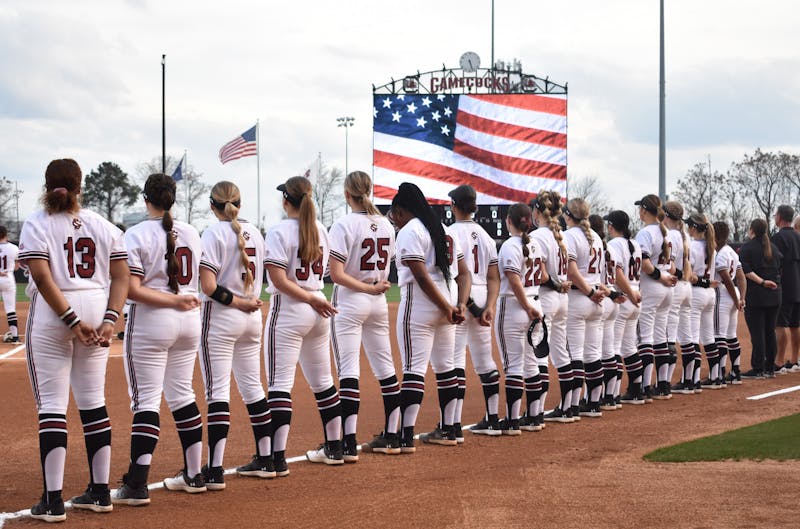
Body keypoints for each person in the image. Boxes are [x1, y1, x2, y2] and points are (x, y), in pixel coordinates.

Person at [20, 159, 129, 521]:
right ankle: (100, 492)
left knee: (52, 404)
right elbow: (121, 275)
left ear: (46, 186)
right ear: (80, 187)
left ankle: (52, 501)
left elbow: (41, 275)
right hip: (96, 306)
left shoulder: (38, 221)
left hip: (57, 313)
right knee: (93, 401)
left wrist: (70, 319)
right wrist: (111, 318)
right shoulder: (102, 224)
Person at [113, 173, 206, 505]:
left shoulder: (135, 234)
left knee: (146, 401)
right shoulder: (193, 232)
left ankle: (136, 485)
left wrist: (173, 299)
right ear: (174, 198)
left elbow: (134, 290)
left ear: (145, 198)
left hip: (153, 321)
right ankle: (195, 474)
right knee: (183, 394)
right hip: (188, 320)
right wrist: (180, 300)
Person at [263, 176, 342, 469]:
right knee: (323, 381)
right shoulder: (320, 228)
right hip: (317, 305)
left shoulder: (279, 231)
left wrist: (309, 299)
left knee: (280, 385)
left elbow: (279, 280)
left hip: (293, 308)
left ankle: (275, 458)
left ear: (286, 200)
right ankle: (335, 447)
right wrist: (314, 298)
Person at [197, 181, 272, 488]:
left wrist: (238, 303)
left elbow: (208, 286)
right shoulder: (255, 232)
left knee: (217, 392)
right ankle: (267, 458)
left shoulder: (213, 233)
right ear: (238, 204)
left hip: (223, 316)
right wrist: (246, 303)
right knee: (253, 387)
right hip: (252, 317)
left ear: (213, 205)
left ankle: (214, 470)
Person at [389, 182, 469, 450]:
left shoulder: (409, 231)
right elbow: (465, 273)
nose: (394, 218)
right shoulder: (444, 229)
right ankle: (449, 430)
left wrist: (448, 307)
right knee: (446, 368)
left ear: (401, 209)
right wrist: (458, 305)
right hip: (447, 302)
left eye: (394, 213)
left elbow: (421, 276)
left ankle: (405, 435)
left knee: (414, 369)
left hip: (421, 306)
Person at [327, 171, 400, 458]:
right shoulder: (386, 224)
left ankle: (348, 442)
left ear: (347, 194)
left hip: (353, 299)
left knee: (348, 370)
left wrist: (365, 290)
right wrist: (372, 289)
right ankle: (393, 434)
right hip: (377, 299)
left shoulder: (344, 224)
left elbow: (336, 275)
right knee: (386, 368)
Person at [445, 185, 502, 437]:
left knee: (455, 359)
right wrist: (488, 306)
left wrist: (471, 306)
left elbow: (457, 275)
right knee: (484, 359)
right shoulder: (487, 235)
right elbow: (494, 278)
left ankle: (453, 424)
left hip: (461, 296)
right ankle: (492, 419)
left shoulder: (449, 233)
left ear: (454, 206)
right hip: (481, 293)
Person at [495, 203, 544, 434]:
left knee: (514, 365)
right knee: (531, 363)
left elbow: (514, 280)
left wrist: (525, 306)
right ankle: (534, 417)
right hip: (536, 301)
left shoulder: (509, 246)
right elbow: (543, 275)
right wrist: (532, 306)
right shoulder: (535, 243)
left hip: (515, 306)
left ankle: (512, 421)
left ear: (509, 221)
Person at [561, 198, 608, 418]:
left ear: (568, 215)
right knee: (593, 354)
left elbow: (571, 272)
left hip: (581, 297)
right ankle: (594, 403)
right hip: (596, 299)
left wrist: (589, 292)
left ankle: (571, 405)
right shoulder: (596, 237)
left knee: (575, 355)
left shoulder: (569, 235)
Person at [530, 191, 571, 425]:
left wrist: (555, 283)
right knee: (561, 352)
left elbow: (542, 274)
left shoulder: (537, 236)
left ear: (537, 211)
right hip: (562, 300)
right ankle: (567, 407)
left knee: (540, 355)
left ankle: (536, 411)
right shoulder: (561, 236)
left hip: (545, 296)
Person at [633, 195, 676, 400]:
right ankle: (664, 384)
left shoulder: (646, 232)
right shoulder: (665, 231)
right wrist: (666, 276)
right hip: (667, 286)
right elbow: (673, 265)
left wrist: (659, 276)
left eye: (640, 209)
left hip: (653, 285)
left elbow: (644, 263)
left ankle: (646, 386)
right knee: (661, 337)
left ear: (644, 210)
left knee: (646, 337)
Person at [604, 211, 645, 405]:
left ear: (612, 226)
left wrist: (628, 294)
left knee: (615, 349)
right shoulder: (634, 243)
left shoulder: (614, 244)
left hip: (624, 297)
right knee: (629, 347)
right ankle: (636, 390)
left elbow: (618, 274)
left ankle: (612, 395)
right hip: (636, 295)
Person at [589, 214, 627, 411]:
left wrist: (611, 293)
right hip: (614, 300)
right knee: (611, 351)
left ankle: (594, 398)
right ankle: (611, 395)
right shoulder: (610, 247)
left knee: (595, 353)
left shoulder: (594, 246)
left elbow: (598, 281)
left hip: (604, 298)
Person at [739, 219, 782, 378]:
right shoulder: (774, 248)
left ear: (751, 230)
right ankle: (769, 367)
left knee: (758, 332)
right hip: (775, 294)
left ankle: (758, 368)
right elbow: (780, 269)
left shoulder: (747, 248)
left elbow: (746, 270)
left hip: (757, 295)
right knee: (770, 331)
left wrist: (762, 282)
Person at [685, 214, 720, 390]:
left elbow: (690, 276)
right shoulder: (711, 245)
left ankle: (693, 380)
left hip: (697, 292)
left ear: (693, 228)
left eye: (688, 226)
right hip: (710, 294)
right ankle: (715, 377)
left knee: (692, 337)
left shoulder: (692, 246)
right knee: (708, 336)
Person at [663, 202, 694, 394]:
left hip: (676, 285)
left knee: (669, 336)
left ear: (666, 215)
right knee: (687, 336)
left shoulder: (670, 234)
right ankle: (690, 380)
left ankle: (664, 382)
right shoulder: (685, 235)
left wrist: (678, 274)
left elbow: (671, 265)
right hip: (687, 286)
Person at [713, 221, 746, 385]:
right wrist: (742, 298)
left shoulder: (720, 255)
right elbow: (741, 276)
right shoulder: (731, 251)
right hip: (734, 293)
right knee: (731, 335)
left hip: (724, 294)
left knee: (719, 335)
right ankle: (736, 371)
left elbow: (726, 279)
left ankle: (719, 373)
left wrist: (736, 299)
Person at [772, 205, 800, 373]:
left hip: (785, 287)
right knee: (796, 325)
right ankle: (795, 360)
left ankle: (779, 361)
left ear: (780, 217)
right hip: (798, 287)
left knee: (780, 324)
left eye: (776, 215)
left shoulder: (778, 238)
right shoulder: (798, 237)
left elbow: (775, 263)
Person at [0, 225, 20, 342]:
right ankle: (15, 337)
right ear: (6, 234)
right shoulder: (14, 248)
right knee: (10, 308)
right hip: (8, 279)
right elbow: (17, 267)